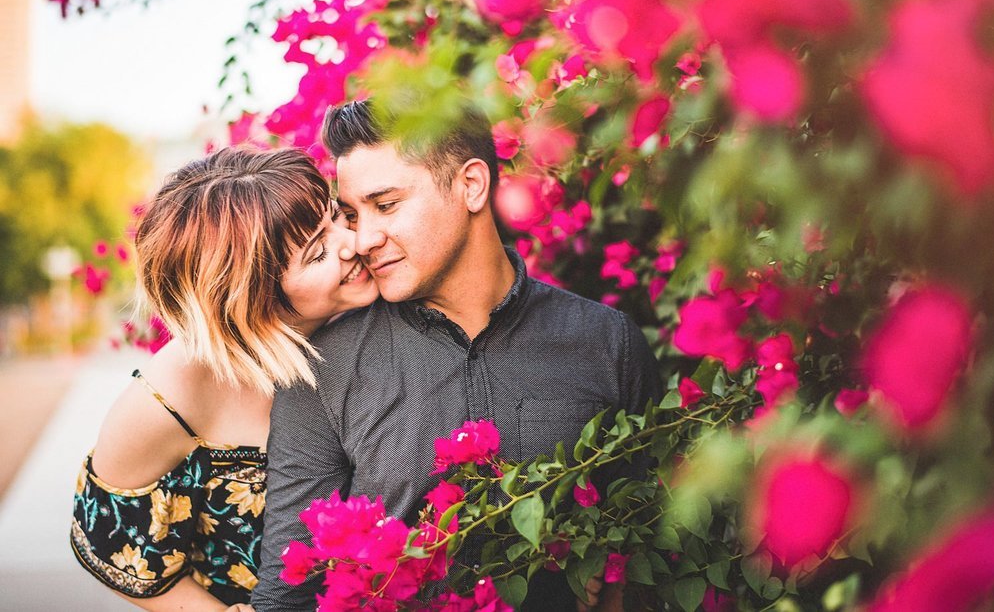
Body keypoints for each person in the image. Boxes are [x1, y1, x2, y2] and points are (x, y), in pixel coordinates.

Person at [252, 98, 662, 611]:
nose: (363, 238)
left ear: (471, 185)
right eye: (353, 214)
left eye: (386, 205)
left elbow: (647, 543)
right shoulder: (324, 372)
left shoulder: (606, 343)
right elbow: (287, 595)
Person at [70, 147, 379, 610]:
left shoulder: (382, 315)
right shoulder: (168, 399)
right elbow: (114, 552)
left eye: (337, 216)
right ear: (251, 297)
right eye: (318, 253)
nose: (352, 243)